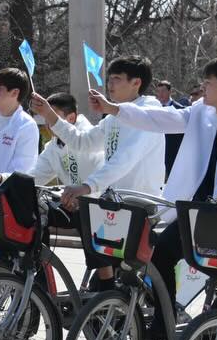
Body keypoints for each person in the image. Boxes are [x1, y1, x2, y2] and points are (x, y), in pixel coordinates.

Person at [87, 55, 217, 340]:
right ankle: (165, 322)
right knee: (160, 256)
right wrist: (115, 109)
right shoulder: (201, 112)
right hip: (197, 211)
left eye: (208, 83)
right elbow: (158, 119)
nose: (202, 88)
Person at [31, 55, 166, 289]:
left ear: (136, 83)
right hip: (116, 202)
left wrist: (87, 186)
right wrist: (51, 116)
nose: (110, 85)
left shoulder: (148, 112)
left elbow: (125, 160)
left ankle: (116, 292)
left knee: (89, 214)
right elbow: (82, 142)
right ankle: (101, 286)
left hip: (138, 203)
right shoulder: (115, 116)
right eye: (109, 79)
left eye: (116, 79)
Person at [30, 92, 103, 230]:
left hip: (103, 210)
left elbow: (106, 176)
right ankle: (35, 252)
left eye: (52, 116)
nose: (47, 123)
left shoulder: (91, 138)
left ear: (71, 118)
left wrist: (84, 194)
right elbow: (33, 176)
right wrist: (2, 179)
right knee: (34, 211)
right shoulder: (53, 146)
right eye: (46, 117)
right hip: (75, 208)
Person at [154, 80, 186, 177]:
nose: (160, 94)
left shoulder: (180, 109)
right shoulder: (154, 109)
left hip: (173, 153)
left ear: (170, 91)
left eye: (163, 91)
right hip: (156, 154)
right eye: (158, 91)